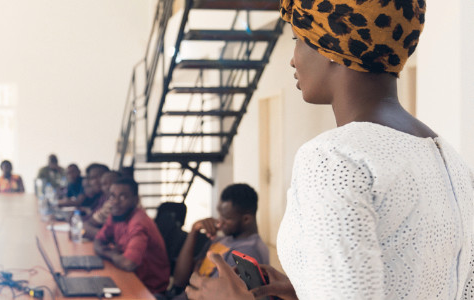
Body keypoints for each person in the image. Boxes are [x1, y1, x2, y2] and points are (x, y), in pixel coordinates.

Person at [185, 1, 474, 299]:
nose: (293, 60)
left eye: (298, 41)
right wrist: (307, 291)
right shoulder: (449, 159)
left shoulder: (335, 158)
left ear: (331, 46)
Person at [170, 183, 269, 299]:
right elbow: (179, 280)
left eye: (226, 218)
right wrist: (194, 231)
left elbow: (211, 295)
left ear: (246, 219)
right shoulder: (223, 239)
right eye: (220, 215)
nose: (220, 222)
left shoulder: (248, 250)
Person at [94, 177, 170, 294]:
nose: (115, 201)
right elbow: (98, 241)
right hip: (128, 277)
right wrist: (113, 255)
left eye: (123, 196)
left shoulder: (138, 223)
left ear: (135, 200)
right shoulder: (117, 215)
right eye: (112, 196)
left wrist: (111, 255)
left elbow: (128, 263)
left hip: (149, 290)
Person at [83, 171, 121, 240]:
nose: (108, 187)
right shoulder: (104, 198)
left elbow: (86, 226)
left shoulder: (113, 203)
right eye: (104, 184)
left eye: (112, 183)